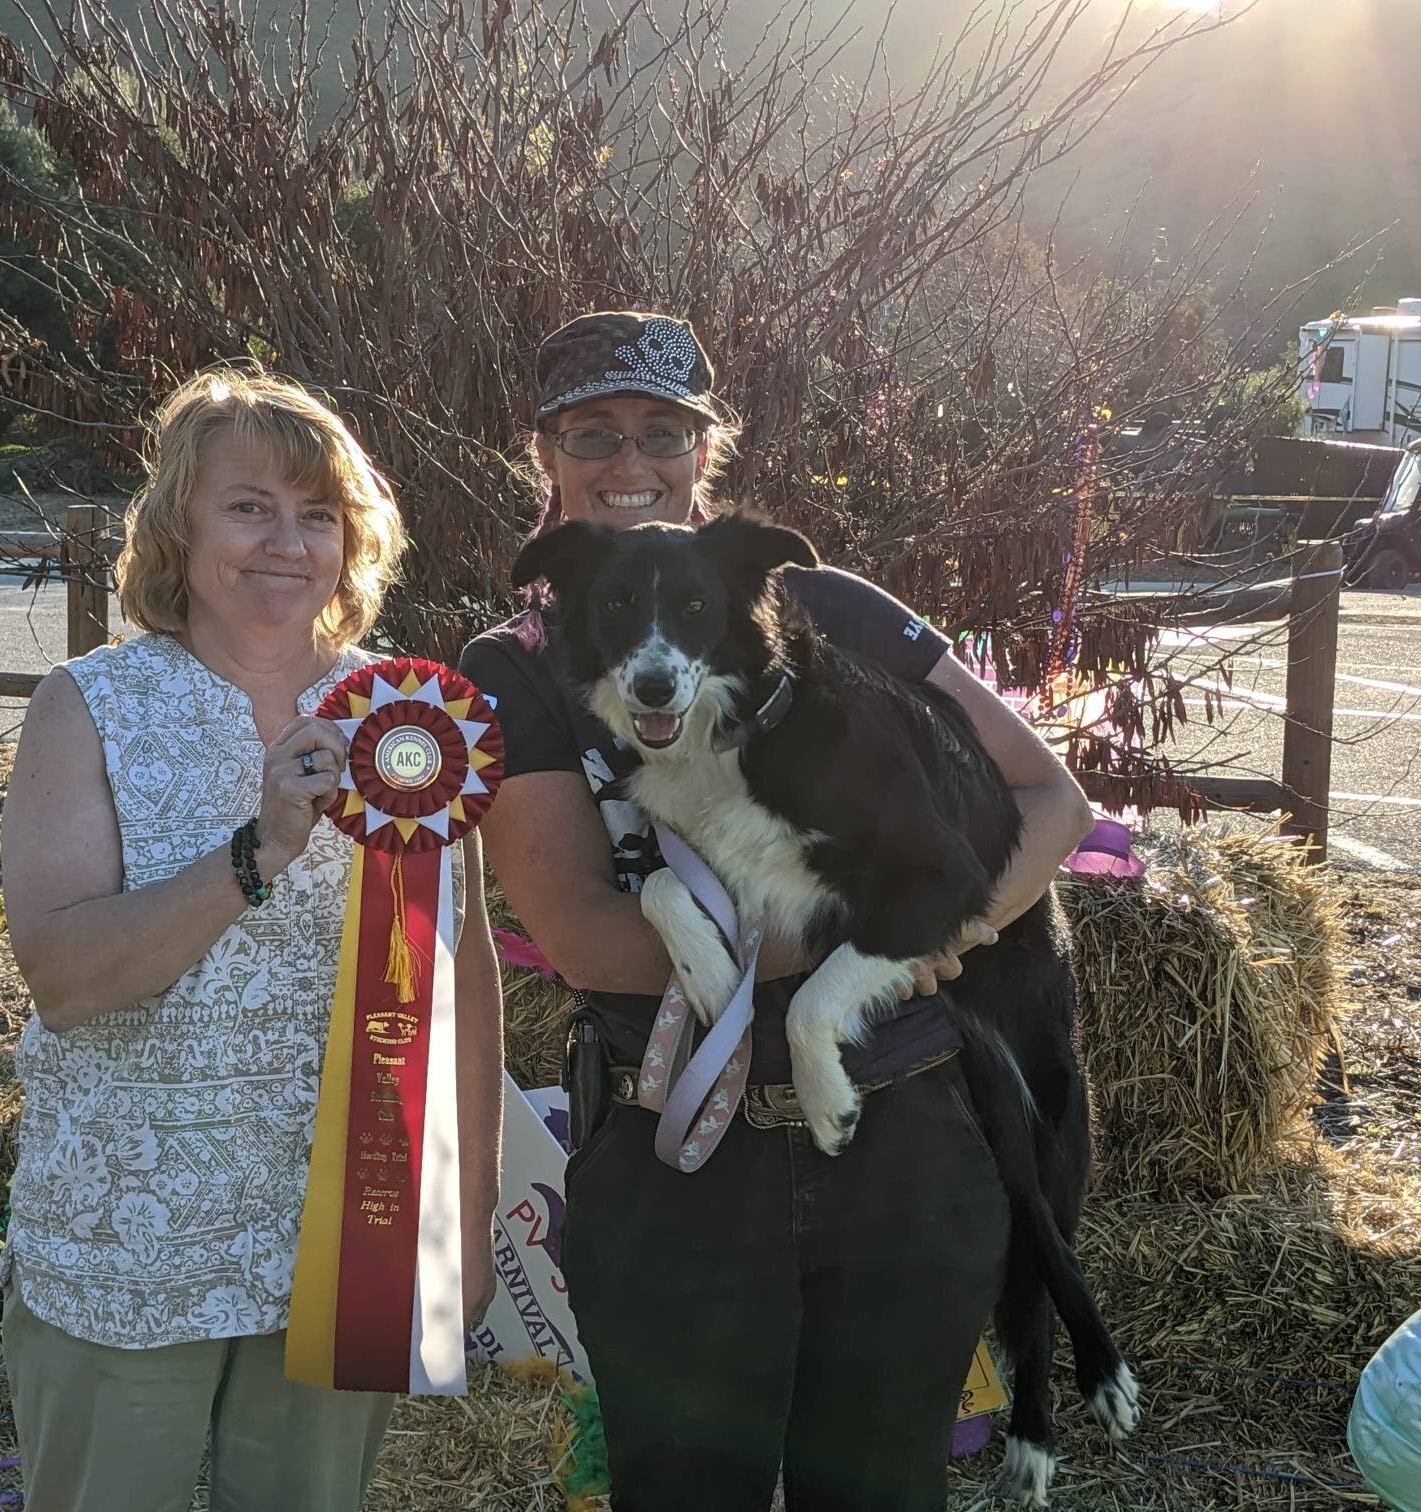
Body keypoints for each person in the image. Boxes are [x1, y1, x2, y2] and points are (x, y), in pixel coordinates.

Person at [459, 312, 1095, 1512]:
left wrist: (927, 938)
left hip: (907, 1133)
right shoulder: (513, 661)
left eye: (663, 432)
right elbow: (591, 938)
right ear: (544, 451)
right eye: (593, 432)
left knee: (882, 1493)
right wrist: (868, 932)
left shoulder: (827, 606)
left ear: (707, 451)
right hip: (673, 1153)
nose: (628, 461)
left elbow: (1049, 801)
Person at [0, 368, 504, 1512]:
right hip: (127, 1246)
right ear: (178, 523)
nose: (287, 542)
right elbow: (68, 980)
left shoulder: (412, 715)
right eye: (248, 506)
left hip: (344, 1249)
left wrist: (463, 1223)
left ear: (351, 540)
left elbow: (463, 988)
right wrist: (256, 853)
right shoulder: (87, 706)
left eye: (317, 513)